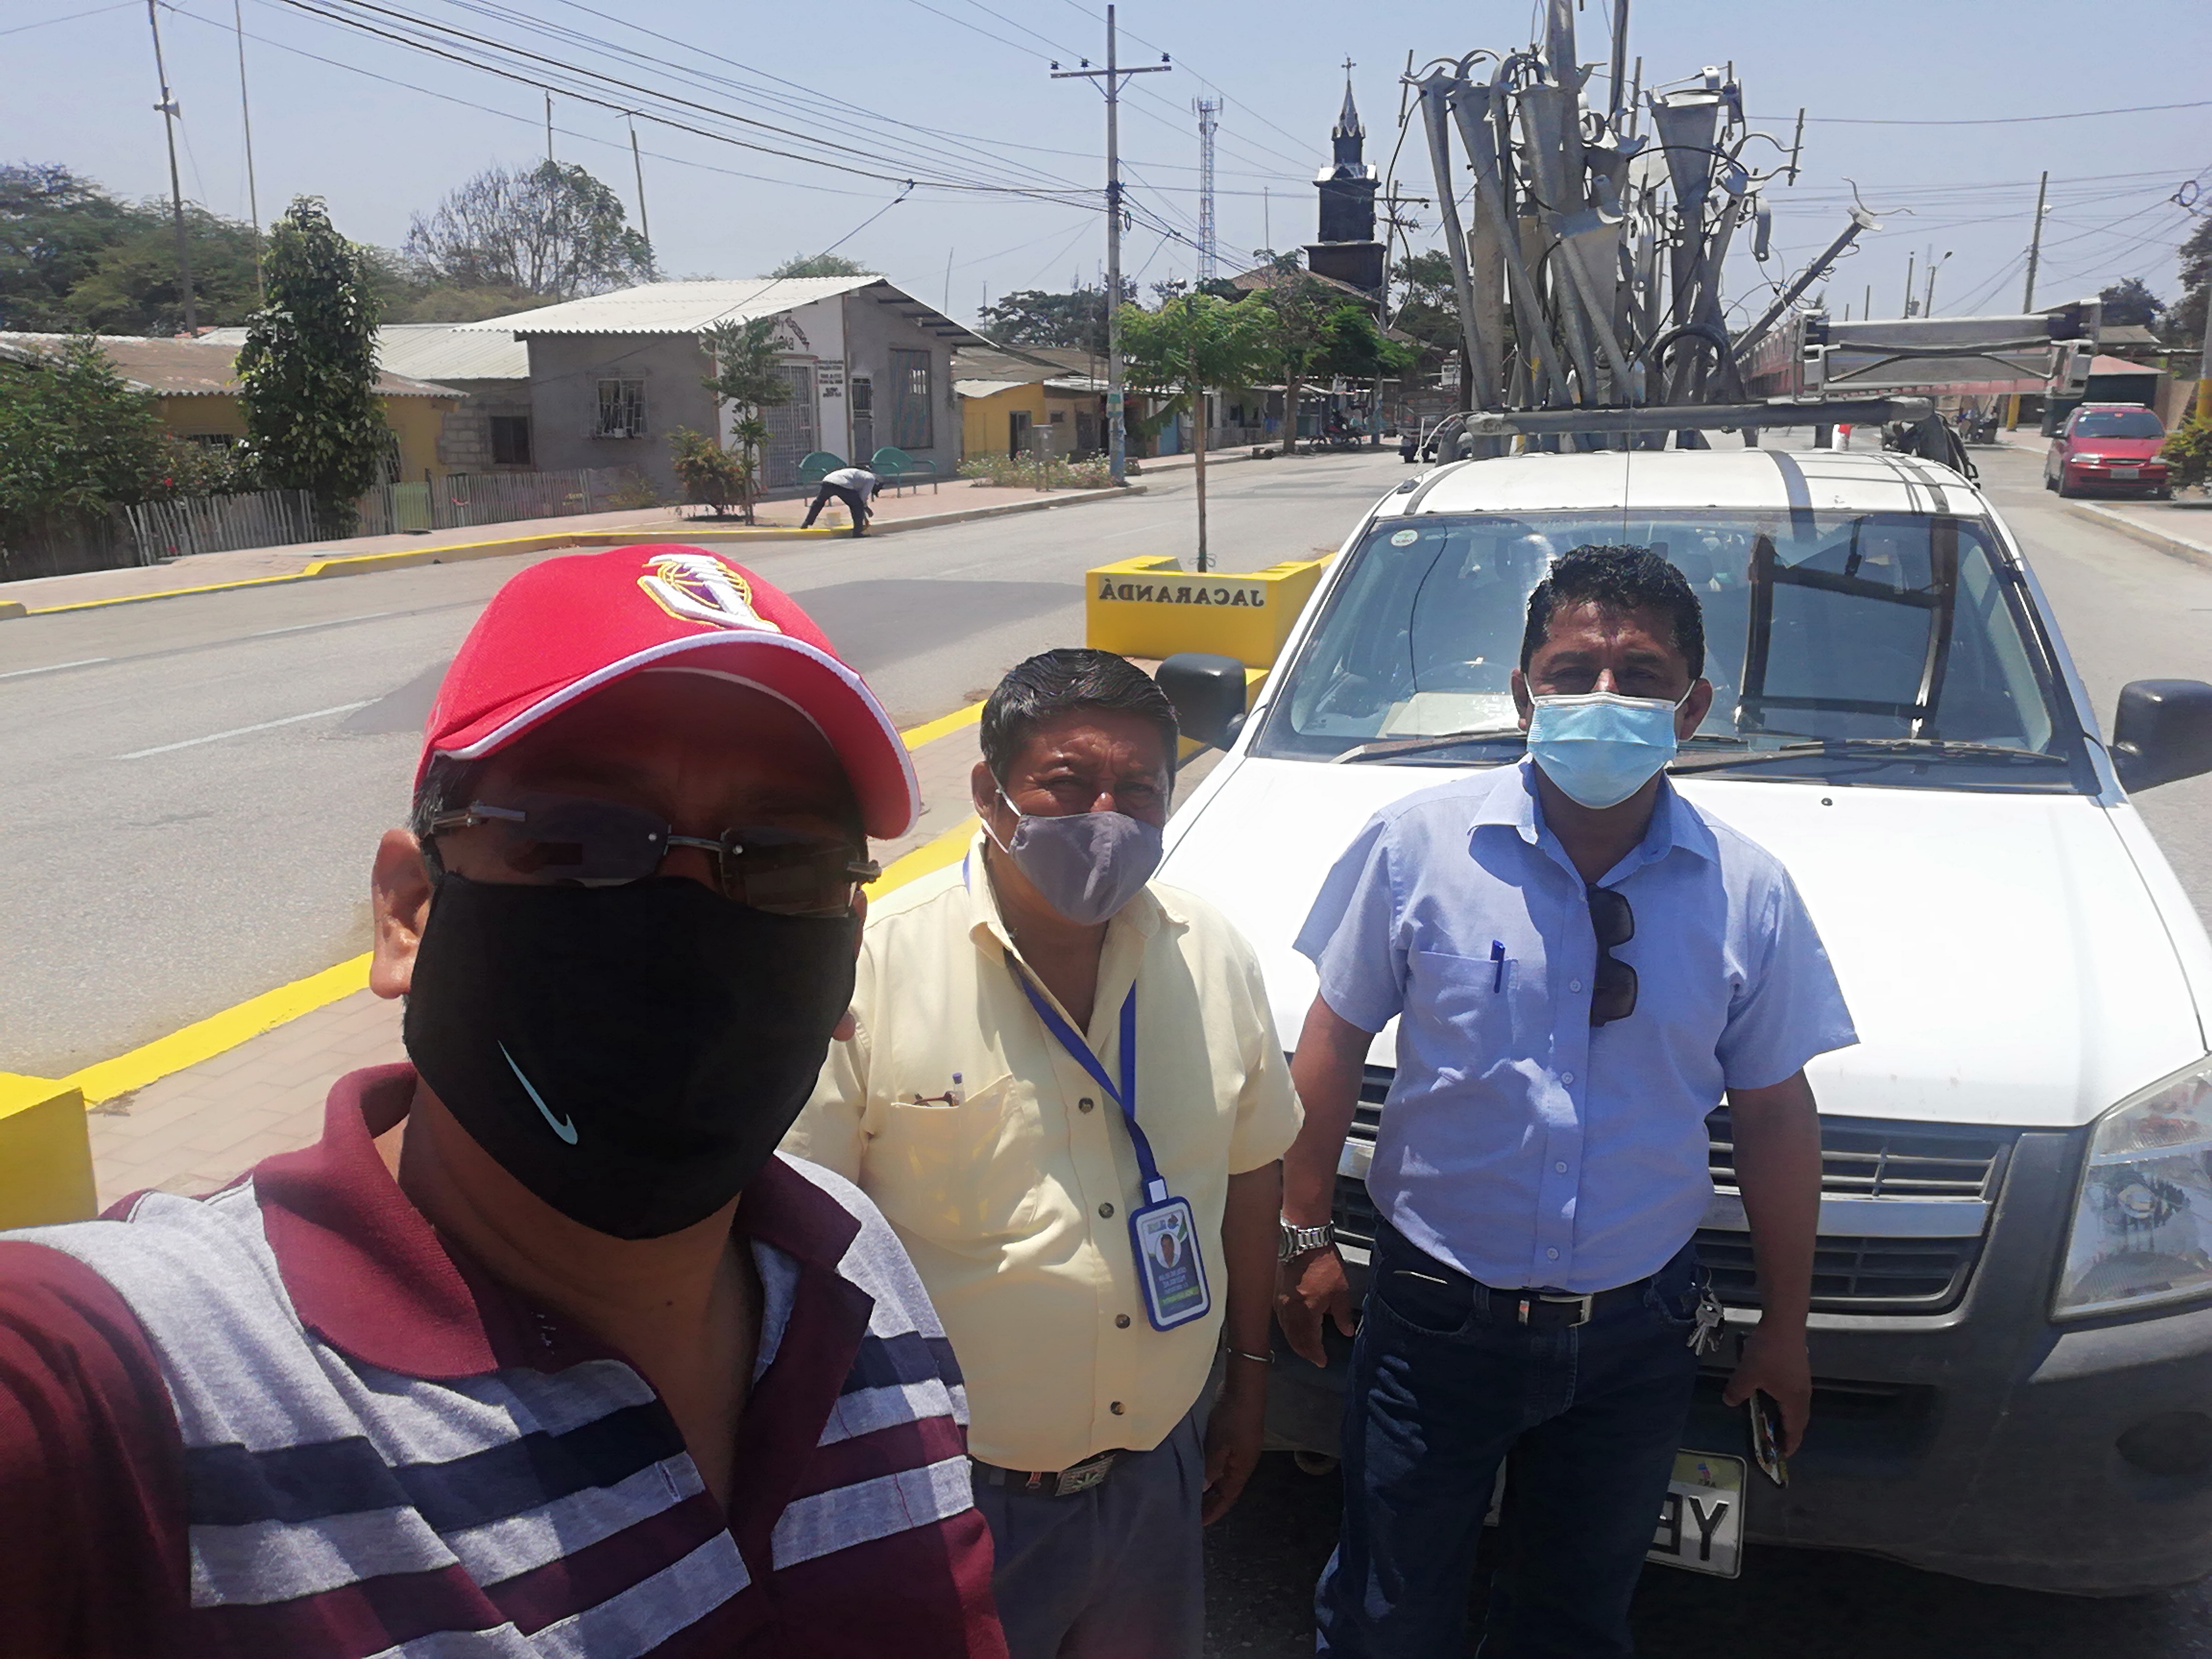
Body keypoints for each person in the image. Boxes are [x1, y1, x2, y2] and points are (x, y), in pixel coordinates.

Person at [0, 545, 1007, 1657]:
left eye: (779, 862)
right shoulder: (141, 1390)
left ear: (845, 948)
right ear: (409, 912)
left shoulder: (858, 1266)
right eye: (579, 840)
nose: (681, 926)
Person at [1280, 545, 1857, 1658]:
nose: (1604, 696)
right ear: (1522, 692)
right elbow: (1334, 1037)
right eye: (1572, 670)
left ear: (1691, 708)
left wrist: (1785, 1325)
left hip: (1635, 1337)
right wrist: (1304, 1233)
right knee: (1387, 1615)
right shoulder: (1415, 847)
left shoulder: (1749, 889)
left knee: (1574, 1623)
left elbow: (1775, 1117)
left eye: (1640, 677)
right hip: (1433, 1320)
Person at [786, 648, 1302, 1659]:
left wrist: (1247, 1379)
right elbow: (804, 1245)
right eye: (1068, 783)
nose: (1106, 815)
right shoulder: (874, 970)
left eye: (1138, 790)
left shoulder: (1211, 952)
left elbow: (1250, 1173)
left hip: (1155, 1474)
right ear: (990, 794)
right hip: (953, 1493)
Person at [803, 461, 881, 536]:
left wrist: (864, 513)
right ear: (876, 484)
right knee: (857, 506)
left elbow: (859, 497)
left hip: (828, 481)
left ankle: (807, 523)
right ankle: (858, 532)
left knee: (819, 502)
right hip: (842, 484)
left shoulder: (862, 476)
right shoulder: (871, 479)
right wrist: (866, 509)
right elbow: (862, 499)